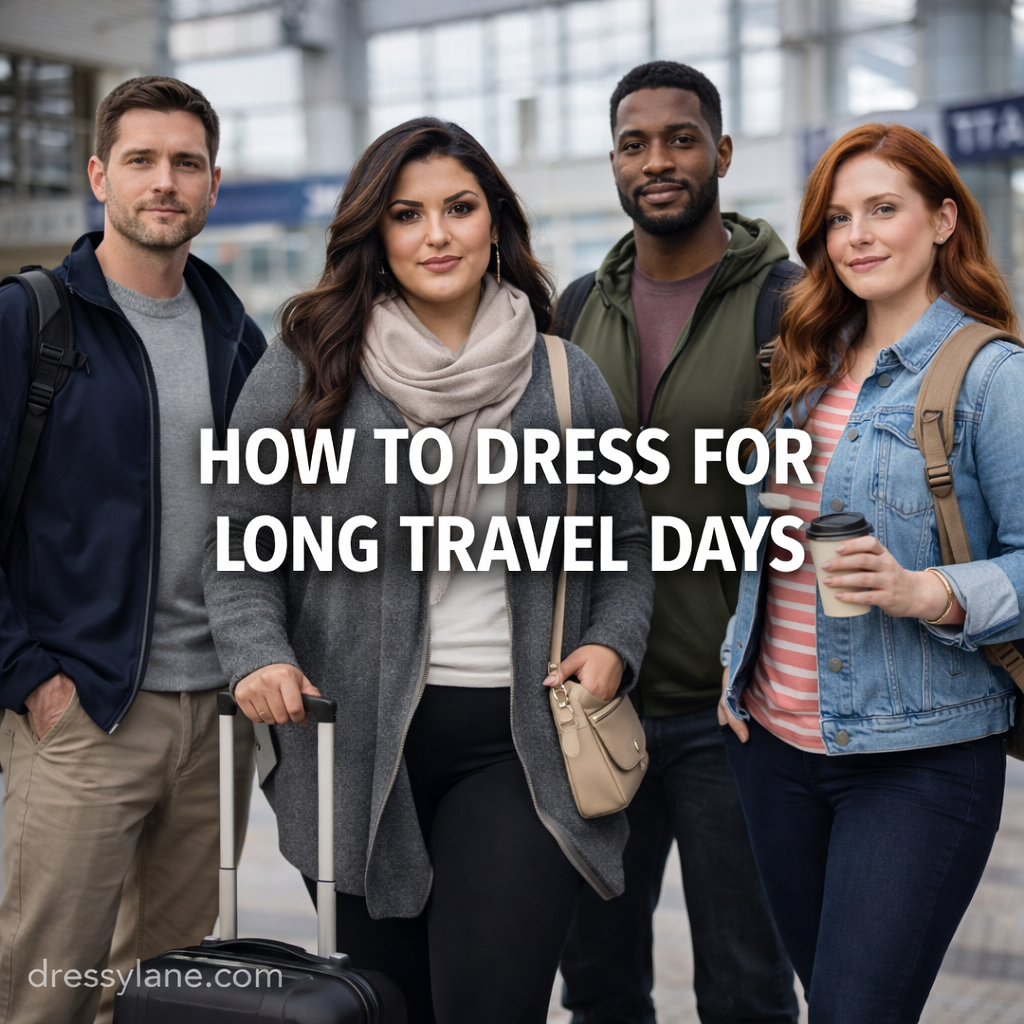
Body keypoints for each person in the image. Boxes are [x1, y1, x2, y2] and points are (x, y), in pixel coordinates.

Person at [202, 116, 654, 1024]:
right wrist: (256, 653)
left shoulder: (565, 377)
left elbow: (629, 544)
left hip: (523, 744)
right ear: (376, 232)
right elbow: (238, 542)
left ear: (495, 223)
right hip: (355, 746)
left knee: (488, 1004)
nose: (436, 234)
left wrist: (612, 642)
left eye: (459, 208)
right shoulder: (306, 367)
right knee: (383, 1006)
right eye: (407, 214)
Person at [719, 123, 1022, 1022]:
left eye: (883, 209)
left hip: (917, 759)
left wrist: (926, 591)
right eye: (838, 218)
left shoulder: (991, 375)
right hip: (773, 748)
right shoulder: (804, 365)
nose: (858, 235)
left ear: (941, 220)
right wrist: (735, 674)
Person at [0, 77, 263, 1024]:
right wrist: (30, 677)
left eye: (185, 163)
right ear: (99, 175)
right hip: (84, 715)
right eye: (143, 161)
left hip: (216, 721)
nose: (165, 181)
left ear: (213, 184)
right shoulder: (31, 321)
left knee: (172, 998)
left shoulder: (239, 337)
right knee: (48, 993)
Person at [556, 61, 798, 1024]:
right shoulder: (575, 309)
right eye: (634, 142)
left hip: (735, 715)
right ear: (614, 162)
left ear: (722, 153)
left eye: (681, 139)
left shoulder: (791, 305)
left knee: (745, 985)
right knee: (600, 981)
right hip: (595, 704)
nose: (657, 161)